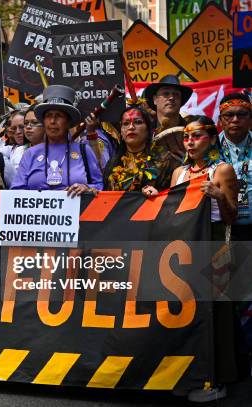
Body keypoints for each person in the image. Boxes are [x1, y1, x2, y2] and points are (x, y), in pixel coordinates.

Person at [171, 116, 239, 403]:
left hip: (214, 243)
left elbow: (232, 216)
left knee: (218, 314)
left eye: (197, 136)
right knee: (188, 312)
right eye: (187, 137)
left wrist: (219, 197)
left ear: (211, 139)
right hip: (185, 245)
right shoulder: (178, 172)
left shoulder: (222, 170)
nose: (190, 142)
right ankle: (189, 373)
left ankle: (219, 379)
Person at [11, 85, 103, 195]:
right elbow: (15, 192)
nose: (53, 121)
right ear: (43, 121)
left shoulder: (83, 150)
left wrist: (86, 187)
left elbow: (99, 184)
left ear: (69, 122)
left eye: (59, 116)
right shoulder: (30, 154)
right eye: (49, 116)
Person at [144, 75, 193, 181]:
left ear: (181, 101)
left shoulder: (193, 132)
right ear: (155, 99)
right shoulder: (144, 133)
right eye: (166, 94)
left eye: (176, 94)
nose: (171, 97)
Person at [217, 93, 252, 241]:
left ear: (250, 119)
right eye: (229, 115)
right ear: (220, 120)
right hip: (219, 232)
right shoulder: (208, 148)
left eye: (242, 114)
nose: (235, 120)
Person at [103, 107, 160, 195]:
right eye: (126, 123)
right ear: (121, 132)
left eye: (138, 122)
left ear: (148, 130)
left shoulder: (162, 161)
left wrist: (158, 195)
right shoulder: (112, 164)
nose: (131, 127)